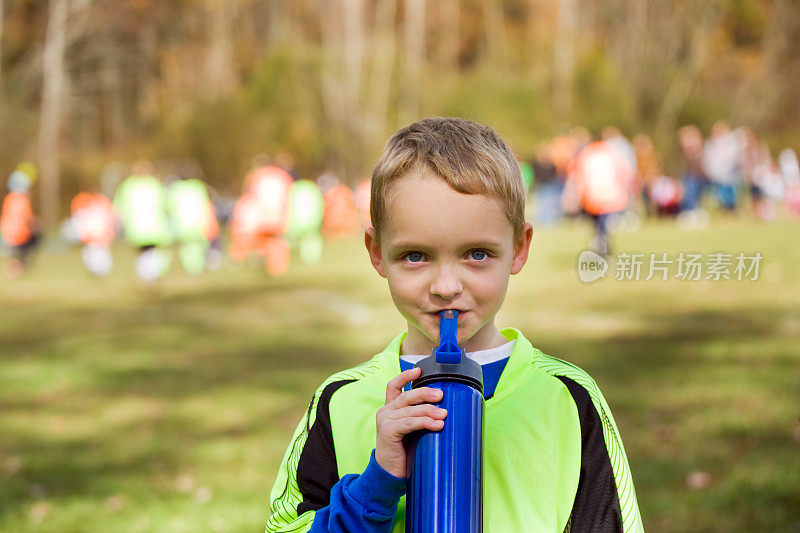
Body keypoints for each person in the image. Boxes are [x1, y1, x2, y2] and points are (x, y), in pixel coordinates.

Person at [265, 118, 643, 532]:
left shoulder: (568, 401)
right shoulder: (341, 402)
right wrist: (376, 488)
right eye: (415, 256)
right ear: (377, 253)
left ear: (518, 249)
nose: (446, 287)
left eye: (477, 254)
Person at [1, 163, 40, 278]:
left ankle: (20, 262)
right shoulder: (22, 200)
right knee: (36, 235)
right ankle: (21, 263)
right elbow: (27, 219)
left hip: (6, 234)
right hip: (20, 235)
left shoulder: (8, 198)